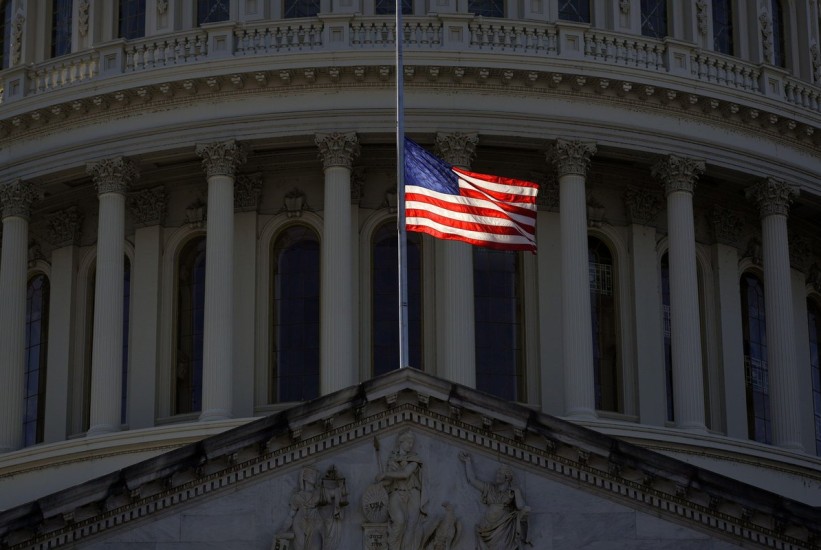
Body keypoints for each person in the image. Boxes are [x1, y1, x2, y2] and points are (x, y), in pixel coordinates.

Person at [458, 452, 530, 550]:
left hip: (504, 527)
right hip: (486, 527)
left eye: (500, 474)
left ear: (507, 477)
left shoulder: (512, 492)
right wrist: (468, 462)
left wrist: (517, 492)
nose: (497, 475)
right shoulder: (489, 488)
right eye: (498, 473)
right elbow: (472, 480)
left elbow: (521, 506)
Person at [375, 430, 427, 549]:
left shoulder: (414, 459)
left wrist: (385, 474)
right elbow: (389, 481)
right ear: (401, 442)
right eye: (408, 442)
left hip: (413, 493)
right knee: (399, 520)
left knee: (411, 525)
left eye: (412, 442)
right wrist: (380, 483)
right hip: (396, 492)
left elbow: (405, 474)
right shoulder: (392, 459)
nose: (410, 445)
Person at [285, 466, 342, 550]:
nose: (314, 476)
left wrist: (339, 481)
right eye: (311, 474)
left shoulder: (319, 493)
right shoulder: (297, 497)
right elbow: (291, 514)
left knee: (316, 546)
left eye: (315, 474)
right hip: (300, 523)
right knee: (300, 545)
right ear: (304, 477)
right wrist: (283, 529)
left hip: (316, 523)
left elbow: (335, 492)